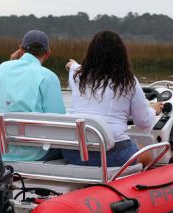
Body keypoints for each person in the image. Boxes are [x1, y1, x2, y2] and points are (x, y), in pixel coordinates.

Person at [63, 30, 163, 167]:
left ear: (91, 53)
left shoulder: (77, 75)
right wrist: (152, 110)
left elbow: (72, 66)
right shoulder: (128, 82)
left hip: (74, 154)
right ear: (121, 55)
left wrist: (71, 65)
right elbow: (144, 123)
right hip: (110, 155)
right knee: (147, 155)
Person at [0, 30, 66, 162]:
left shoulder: (3, 68)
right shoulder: (48, 77)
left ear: (21, 50)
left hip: (3, 152)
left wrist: (10, 63)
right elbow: (58, 124)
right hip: (36, 154)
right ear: (47, 53)